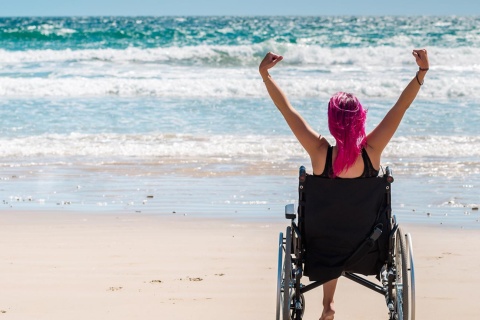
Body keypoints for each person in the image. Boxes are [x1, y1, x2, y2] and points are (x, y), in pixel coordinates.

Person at [259, 49, 429, 320]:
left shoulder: (319, 152)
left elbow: (286, 109)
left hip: (321, 248)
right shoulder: (372, 151)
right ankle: (329, 304)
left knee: (332, 230)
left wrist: (265, 75)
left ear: (332, 122)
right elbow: (400, 107)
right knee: (344, 230)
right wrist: (421, 73)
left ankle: (328, 305)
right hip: (368, 248)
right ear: (360, 117)